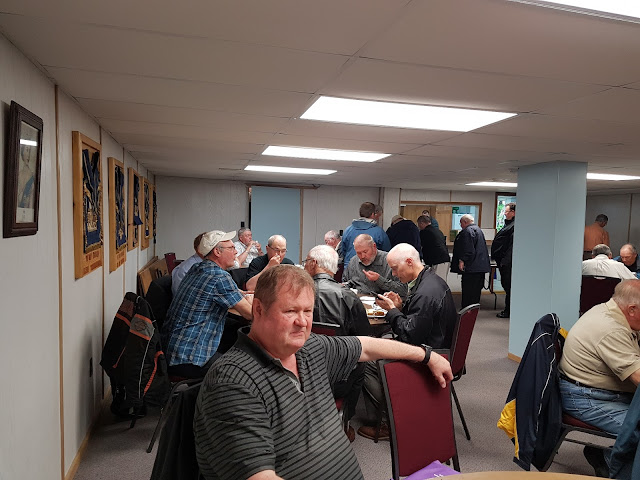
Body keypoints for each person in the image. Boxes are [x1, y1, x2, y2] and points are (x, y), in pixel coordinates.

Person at [193, 265, 453, 480]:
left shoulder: (310, 348)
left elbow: (366, 346)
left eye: (307, 311)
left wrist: (426, 355)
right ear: (258, 309)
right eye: (290, 311)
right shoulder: (231, 382)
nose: (302, 322)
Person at [358, 243, 457, 440]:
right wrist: (401, 307)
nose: (394, 275)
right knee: (378, 346)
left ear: (410, 262)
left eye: (395, 269)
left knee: (365, 361)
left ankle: (389, 422)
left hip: (429, 356)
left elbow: (409, 335)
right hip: (438, 347)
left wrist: (392, 311)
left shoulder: (425, 293)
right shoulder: (430, 281)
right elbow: (419, 321)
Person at [163, 231, 253, 378]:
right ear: (217, 252)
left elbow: (221, 292)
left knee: (234, 333)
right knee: (241, 374)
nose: (236, 251)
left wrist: (241, 295)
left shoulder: (198, 268)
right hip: (190, 358)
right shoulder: (219, 276)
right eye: (231, 248)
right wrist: (249, 300)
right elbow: (250, 314)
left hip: (174, 349)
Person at [558, 279, 640, 436]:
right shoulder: (611, 330)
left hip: (598, 391)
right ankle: (619, 452)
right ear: (632, 309)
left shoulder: (610, 309)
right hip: (587, 398)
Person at [304, 245, 370, 438]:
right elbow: (364, 338)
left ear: (314, 263)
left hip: (299, 369)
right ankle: (345, 422)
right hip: (339, 377)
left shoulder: (297, 293)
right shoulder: (348, 296)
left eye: (306, 262)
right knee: (361, 366)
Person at [343, 234, 407, 297]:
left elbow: (403, 290)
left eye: (365, 252)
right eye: (358, 253)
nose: (362, 256)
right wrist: (345, 286)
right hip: (358, 300)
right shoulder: (353, 261)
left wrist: (379, 280)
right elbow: (346, 282)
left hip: (382, 301)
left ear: (374, 246)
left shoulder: (389, 261)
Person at [451, 214, 490, 308]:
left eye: (461, 223)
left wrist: (462, 261)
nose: (461, 226)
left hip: (471, 268)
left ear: (465, 222)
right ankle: (473, 310)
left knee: (468, 291)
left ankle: (466, 310)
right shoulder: (478, 230)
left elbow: (468, 249)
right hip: (479, 267)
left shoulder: (467, 231)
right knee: (476, 292)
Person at [341, 202, 391, 267]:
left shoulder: (348, 230)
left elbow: (343, 251)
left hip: (350, 267)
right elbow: (387, 253)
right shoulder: (379, 232)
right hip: (372, 268)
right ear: (373, 214)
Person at [491, 202, 515, 318]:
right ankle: (508, 310)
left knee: (509, 287)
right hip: (504, 262)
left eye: (506, 211)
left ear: (513, 212)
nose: (505, 214)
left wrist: (505, 262)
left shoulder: (514, 226)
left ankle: (508, 311)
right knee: (507, 286)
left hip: (507, 263)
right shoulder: (509, 225)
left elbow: (511, 247)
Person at [417, 215, 450, 281]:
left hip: (437, 260)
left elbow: (422, 246)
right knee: (441, 281)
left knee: (437, 282)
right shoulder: (438, 231)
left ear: (422, 223)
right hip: (444, 258)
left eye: (418, 224)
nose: (419, 227)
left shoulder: (424, 232)